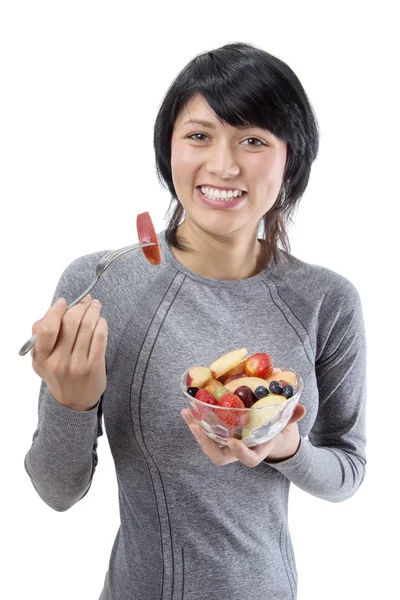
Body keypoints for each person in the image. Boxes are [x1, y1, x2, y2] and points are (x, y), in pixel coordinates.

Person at [24, 42, 367, 600]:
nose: (223, 165)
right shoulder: (101, 284)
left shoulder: (327, 301)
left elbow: (348, 470)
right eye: (199, 135)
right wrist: (72, 400)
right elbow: (57, 492)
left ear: (291, 159)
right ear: (168, 150)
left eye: (253, 140)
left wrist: (285, 448)